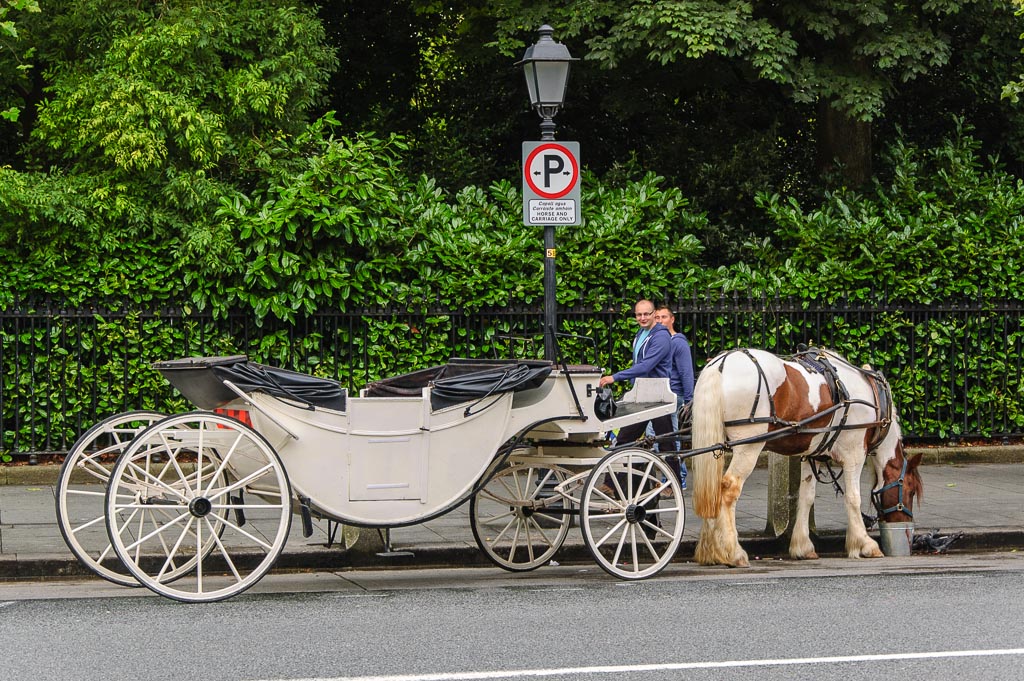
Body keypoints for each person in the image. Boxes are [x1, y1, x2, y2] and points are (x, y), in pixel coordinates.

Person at [599, 298, 674, 447]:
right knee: (625, 440)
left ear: (654, 314)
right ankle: (626, 462)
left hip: (658, 396)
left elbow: (645, 366)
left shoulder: (661, 337)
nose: (642, 318)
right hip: (643, 394)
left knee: (664, 442)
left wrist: (615, 377)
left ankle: (672, 463)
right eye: (639, 315)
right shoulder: (642, 332)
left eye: (646, 314)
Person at [654, 305, 695, 489]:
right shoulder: (659, 341)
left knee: (670, 438)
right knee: (660, 438)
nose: (660, 320)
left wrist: (689, 400)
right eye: (657, 317)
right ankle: (672, 479)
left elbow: (686, 372)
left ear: (672, 319)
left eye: (664, 317)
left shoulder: (678, 342)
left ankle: (677, 479)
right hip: (660, 395)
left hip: (674, 395)